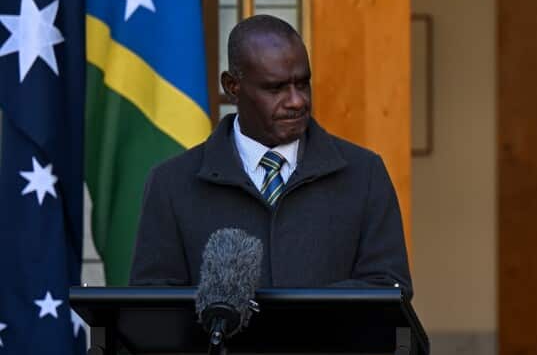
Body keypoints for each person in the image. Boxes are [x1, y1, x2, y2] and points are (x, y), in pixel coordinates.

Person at [130, 15, 413, 296]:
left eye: (302, 84)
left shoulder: (364, 174)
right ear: (232, 87)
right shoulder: (171, 184)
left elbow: (389, 289)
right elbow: (152, 306)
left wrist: (297, 321)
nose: (296, 101)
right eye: (275, 88)